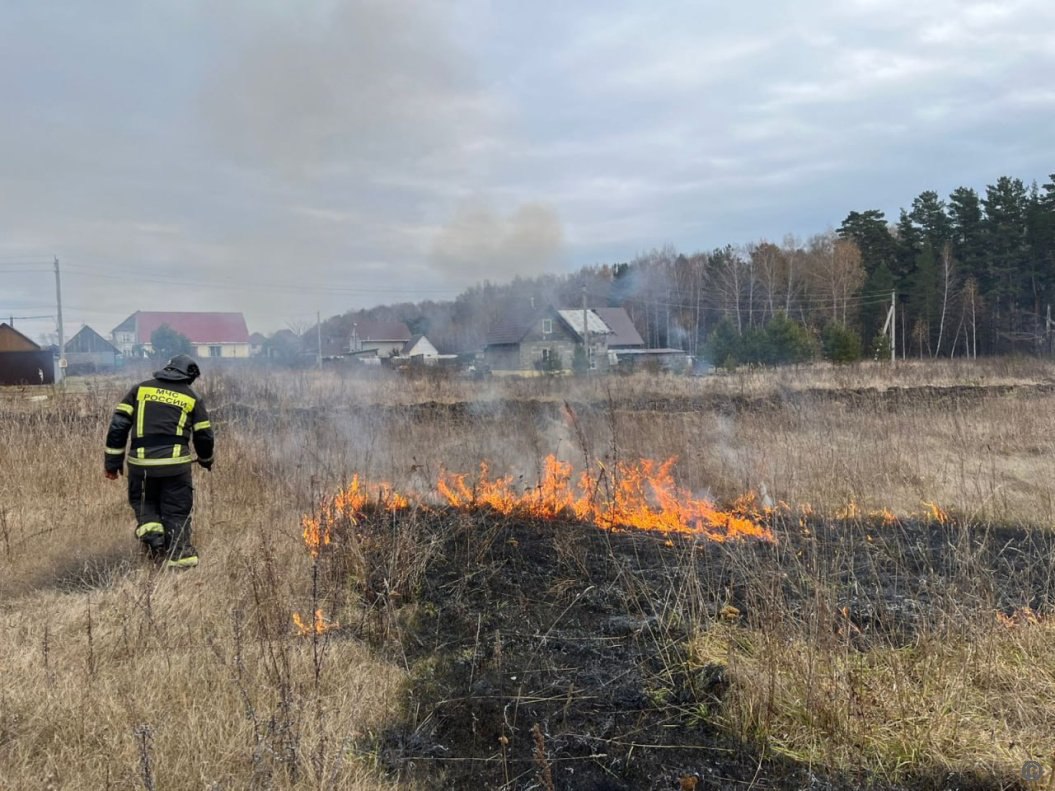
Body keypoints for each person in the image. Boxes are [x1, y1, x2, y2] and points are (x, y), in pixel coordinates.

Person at [104, 354, 214, 568]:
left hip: (141, 466)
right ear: (189, 376)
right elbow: (204, 435)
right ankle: (180, 559)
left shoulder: (140, 389)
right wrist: (206, 459)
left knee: (145, 504)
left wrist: (112, 462)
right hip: (175, 468)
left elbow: (118, 426)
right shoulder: (192, 397)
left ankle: (154, 540)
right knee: (176, 511)